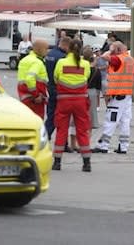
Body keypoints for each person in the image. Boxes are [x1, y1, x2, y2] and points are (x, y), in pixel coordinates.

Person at [52, 39, 92, 172]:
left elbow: (55, 78)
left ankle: (57, 162)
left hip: (64, 100)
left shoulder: (61, 62)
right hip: (80, 101)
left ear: (68, 48)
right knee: (82, 130)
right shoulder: (85, 64)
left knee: (61, 130)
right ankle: (86, 163)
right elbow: (86, 77)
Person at [92, 41, 134, 154]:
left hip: (118, 96)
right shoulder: (131, 60)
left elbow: (104, 57)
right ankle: (123, 146)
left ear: (117, 50)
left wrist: (111, 51)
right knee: (125, 122)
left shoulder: (118, 59)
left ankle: (103, 145)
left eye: (112, 49)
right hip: (127, 95)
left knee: (110, 120)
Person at [44, 36, 71, 141]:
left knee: (51, 114)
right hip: (59, 89)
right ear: (65, 45)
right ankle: (61, 141)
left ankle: (46, 135)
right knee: (62, 117)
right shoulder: (63, 57)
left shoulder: (49, 54)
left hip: (50, 87)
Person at [17, 39, 49, 119]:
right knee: (38, 123)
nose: (47, 51)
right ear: (40, 49)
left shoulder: (25, 60)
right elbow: (29, 78)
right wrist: (36, 95)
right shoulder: (37, 62)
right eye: (46, 48)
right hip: (36, 100)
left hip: (24, 97)